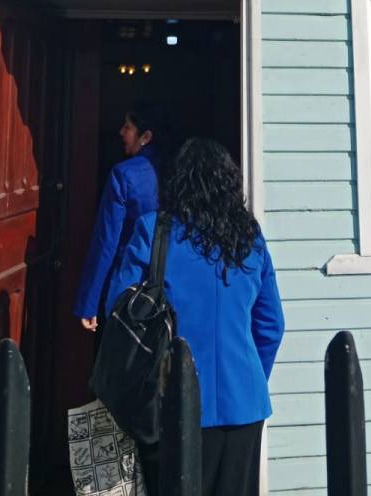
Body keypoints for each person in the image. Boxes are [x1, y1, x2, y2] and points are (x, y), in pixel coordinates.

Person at [107, 137, 284, 496]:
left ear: (176, 181)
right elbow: (271, 326)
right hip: (243, 401)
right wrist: (247, 378)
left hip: (168, 403)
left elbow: (119, 311)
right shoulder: (250, 238)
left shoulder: (153, 230)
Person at [73, 102, 167, 330]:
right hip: (169, 279)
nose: (121, 132)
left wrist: (89, 303)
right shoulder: (175, 169)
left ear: (145, 137)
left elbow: (106, 241)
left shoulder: (124, 174)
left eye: (127, 127)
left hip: (131, 281)